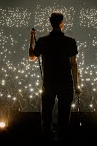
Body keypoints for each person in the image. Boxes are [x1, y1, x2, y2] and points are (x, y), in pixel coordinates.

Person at [29, 12, 81, 141]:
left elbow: (31, 57)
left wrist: (31, 38)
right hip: (66, 83)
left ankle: (47, 140)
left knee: (46, 117)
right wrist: (76, 86)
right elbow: (73, 65)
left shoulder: (43, 41)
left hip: (49, 84)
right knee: (64, 118)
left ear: (50, 23)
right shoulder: (70, 41)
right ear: (62, 23)